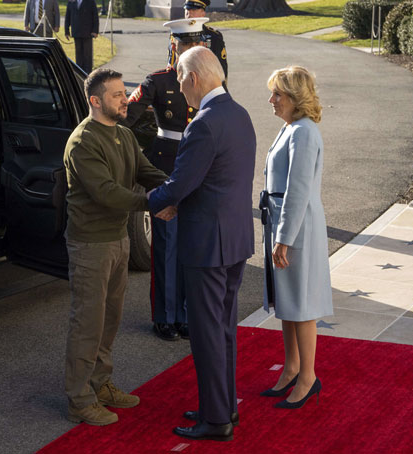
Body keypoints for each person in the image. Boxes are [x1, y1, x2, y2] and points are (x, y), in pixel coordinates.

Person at [148, 47, 255, 441]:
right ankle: (222, 404)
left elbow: (181, 183)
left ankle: (216, 420)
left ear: (193, 78)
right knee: (223, 329)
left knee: (208, 331)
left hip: (207, 244)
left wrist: (149, 202)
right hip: (234, 239)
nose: (178, 89)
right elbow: (217, 180)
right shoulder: (238, 113)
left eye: (179, 79)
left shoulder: (204, 123)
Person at [63, 68, 168, 426]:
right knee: (88, 324)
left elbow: (146, 172)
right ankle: (79, 400)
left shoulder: (123, 134)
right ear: (96, 101)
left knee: (110, 321)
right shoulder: (83, 142)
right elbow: (107, 193)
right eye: (117, 95)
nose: (126, 99)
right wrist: (154, 203)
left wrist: (175, 187)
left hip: (118, 240)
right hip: (91, 244)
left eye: (125, 93)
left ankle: (100, 383)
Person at [121, 18, 207, 342]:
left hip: (197, 167)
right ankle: (164, 315)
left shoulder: (208, 81)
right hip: (165, 168)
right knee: (166, 245)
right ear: (174, 46)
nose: (189, 50)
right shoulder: (157, 80)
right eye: (184, 44)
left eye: (194, 44)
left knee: (189, 245)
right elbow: (127, 116)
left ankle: (183, 315)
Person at [259, 65, 333, 409]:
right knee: (288, 302)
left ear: (295, 98)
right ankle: (291, 369)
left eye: (278, 94)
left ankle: (308, 377)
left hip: (296, 225)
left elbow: (298, 190)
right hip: (283, 221)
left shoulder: (302, 132)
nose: (272, 100)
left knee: (301, 305)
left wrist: (284, 238)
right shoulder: (291, 127)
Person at [166, 0, 227, 84]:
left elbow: (221, 69)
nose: (189, 13)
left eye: (193, 10)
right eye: (187, 10)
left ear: (203, 13)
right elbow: (172, 63)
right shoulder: (176, 35)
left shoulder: (214, 36)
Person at [65, 0, 98, 74]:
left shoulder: (90, 1)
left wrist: (95, 30)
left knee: (87, 55)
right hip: (76, 33)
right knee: (78, 55)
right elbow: (68, 16)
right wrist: (66, 31)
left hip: (88, 33)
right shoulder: (71, 2)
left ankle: (88, 74)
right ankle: (80, 73)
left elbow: (95, 16)